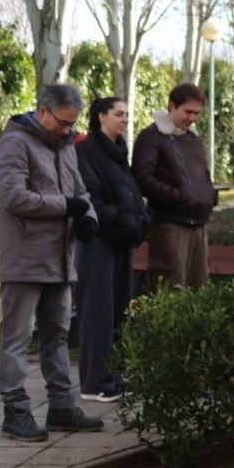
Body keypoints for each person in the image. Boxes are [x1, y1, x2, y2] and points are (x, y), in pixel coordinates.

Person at [0, 84, 105, 441]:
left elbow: (80, 193)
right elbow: (13, 197)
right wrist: (66, 207)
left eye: (72, 124)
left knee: (57, 335)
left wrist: (88, 218)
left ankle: (62, 407)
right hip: (24, 257)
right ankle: (15, 411)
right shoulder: (15, 143)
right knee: (17, 337)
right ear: (42, 111)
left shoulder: (65, 145)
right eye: (62, 122)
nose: (67, 129)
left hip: (60, 257)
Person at [73, 96, 152, 403]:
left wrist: (140, 220)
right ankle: (94, 382)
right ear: (101, 116)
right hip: (98, 240)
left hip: (122, 239)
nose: (125, 119)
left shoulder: (118, 150)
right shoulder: (86, 150)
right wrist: (120, 217)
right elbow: (90, 196)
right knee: (98, 312)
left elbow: (128, 192)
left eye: (127, 114)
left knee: (118, 309)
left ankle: (112, 375)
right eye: (119, 114)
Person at [132, 83, 216, 291]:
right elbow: (142, 178)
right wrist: (179, 197)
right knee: (170, 289)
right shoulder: (151, 137)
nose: (192, 118)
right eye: (188, 111)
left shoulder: (193, 139)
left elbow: (204, 174)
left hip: (199, 225)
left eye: (197, 113)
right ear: (172, 106)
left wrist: (209, 196)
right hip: (170, 225)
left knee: (199, 291)